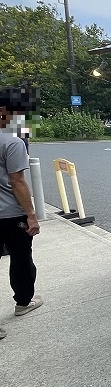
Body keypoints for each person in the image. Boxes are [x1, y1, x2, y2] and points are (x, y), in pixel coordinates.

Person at [0, 90, 41, 340]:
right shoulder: (11, 142)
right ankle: (23, 302)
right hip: (10, 214)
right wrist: (31, 215)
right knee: (21, 258)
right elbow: (17, 182)